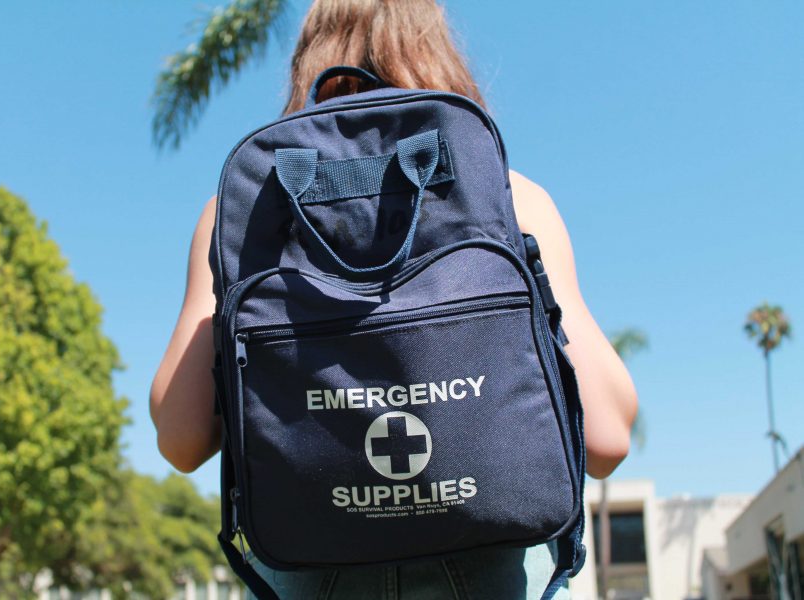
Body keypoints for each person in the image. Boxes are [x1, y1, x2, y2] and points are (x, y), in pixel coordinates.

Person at [149, 0, 639, 597]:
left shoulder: (248, 210)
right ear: (435, 48)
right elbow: (608, 438)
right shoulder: (511, 196)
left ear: (309, 62)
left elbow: (181, 438)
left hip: (313, 570)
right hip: (493, 570)